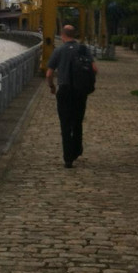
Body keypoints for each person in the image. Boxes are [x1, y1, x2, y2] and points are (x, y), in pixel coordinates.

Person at [46, 24, 97, 168]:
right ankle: (77, 149)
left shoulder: (59, 50)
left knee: (65, 123)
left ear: (62, 35)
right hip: (80, 91)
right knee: (77, 121)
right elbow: (94, 68)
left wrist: (52, 86)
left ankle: (68, 158)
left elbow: (49, 73)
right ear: (74, 35)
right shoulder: (83, 49)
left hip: (64, 90)